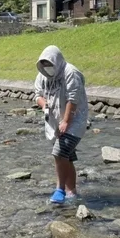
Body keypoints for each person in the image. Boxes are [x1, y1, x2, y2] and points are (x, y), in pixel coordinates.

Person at [34, 46, 89, 205]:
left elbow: (73, 99)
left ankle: (60, 189)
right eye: (43, 64)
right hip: (56, 121)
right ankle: (72, 191)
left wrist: (66, 121)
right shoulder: (42, 76)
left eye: (49, 63)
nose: (47, 67)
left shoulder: (70, 73)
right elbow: (38, 95)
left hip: (75, 121)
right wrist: (44, 105)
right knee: (67, 157)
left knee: (59, 153)